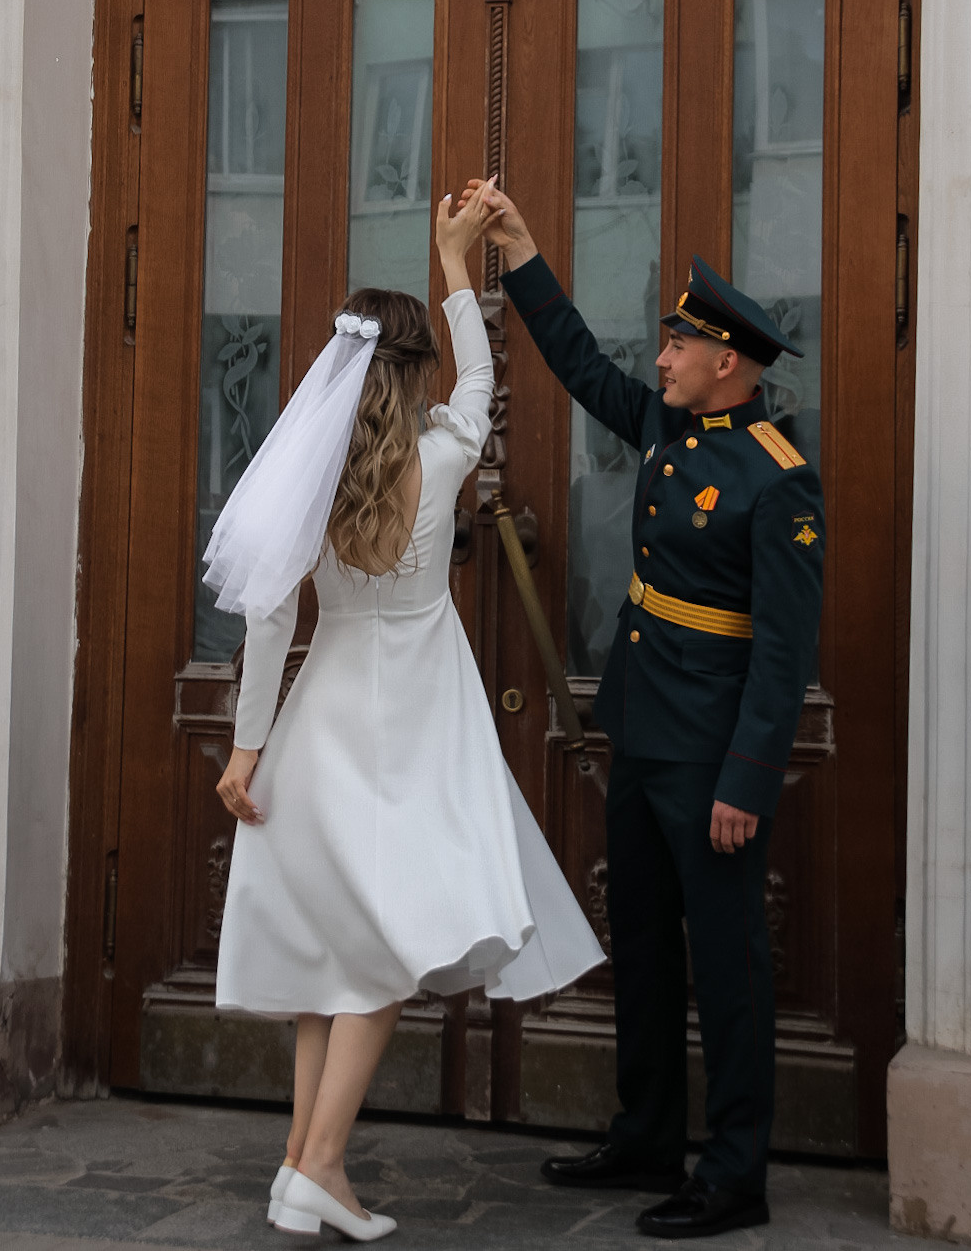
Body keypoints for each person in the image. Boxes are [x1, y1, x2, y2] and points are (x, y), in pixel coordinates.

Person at [208, 183, 604, 1243]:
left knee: (333, 958)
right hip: (417, 722)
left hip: (321, 719)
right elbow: (481, 383)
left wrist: (247, 747)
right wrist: (457, 266)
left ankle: (300, 1163)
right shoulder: (442, 456)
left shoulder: (311, 478)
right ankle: (320, 1163)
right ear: (413, 371)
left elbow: (267, 619)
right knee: (383, 953)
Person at [468, 181, 824, 1240]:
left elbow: (783, 651)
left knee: (728, 966)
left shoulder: (778, 480)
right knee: (645, 944)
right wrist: (521, 250)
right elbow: (580, 362)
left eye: (680, 346)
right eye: (667, 344)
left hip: (713, 758)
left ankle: (735, 1172)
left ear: (730, 363)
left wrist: (749, 778)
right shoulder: (669, 429)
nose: (661, 359)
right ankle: (647, 1135)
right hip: (642, 730)